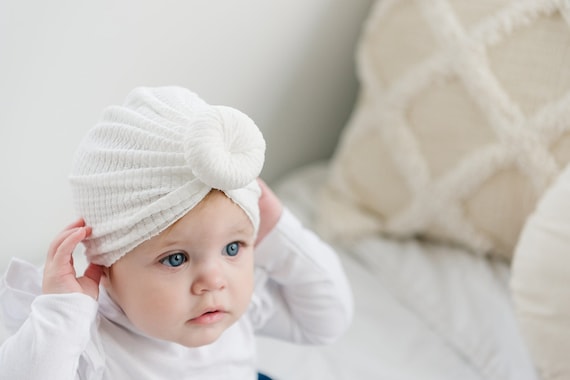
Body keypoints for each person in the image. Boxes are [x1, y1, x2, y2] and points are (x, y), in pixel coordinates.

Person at [0, 86, 353, 380]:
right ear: (106, 266)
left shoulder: (234, 307)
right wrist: (63, 311)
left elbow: (327, 321)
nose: (214, 280)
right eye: (176, 258)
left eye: (233, 248)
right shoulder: (91, 341)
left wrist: (279, 230)